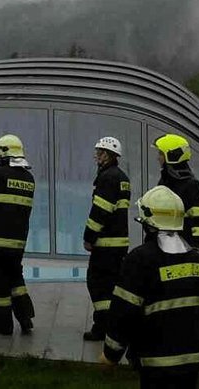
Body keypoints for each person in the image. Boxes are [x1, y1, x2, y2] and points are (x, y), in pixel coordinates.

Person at [101, 185, 199, 388]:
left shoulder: (140, 260)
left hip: (155, 366)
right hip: (192, 363)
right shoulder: (197, 262)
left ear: (148, 223)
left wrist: (111, 353)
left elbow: (123, 312)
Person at [0, 134, 35, 335]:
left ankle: (2, 323)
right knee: (15, 280)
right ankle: (25, 318)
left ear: (3, 153)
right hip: (18, 243)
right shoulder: (29, 179)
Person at [82, 136, 131, 341]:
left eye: (100, 152)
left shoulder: (108, 178)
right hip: (119, 243)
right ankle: (113, 325)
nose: (97, 156)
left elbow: (101, 211)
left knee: (97, 284)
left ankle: (102, 327)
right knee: (111, 285)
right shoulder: (121, 178)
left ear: (109, 155)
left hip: (106, 243)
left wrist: (89, 236)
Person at [154, 134, 199, 253]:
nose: (158, 158)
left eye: (161, 154)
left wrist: (196, 245)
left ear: (171, 156)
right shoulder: (165, 181)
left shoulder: (190, 184)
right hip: (163, 244)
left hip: (181, 246)